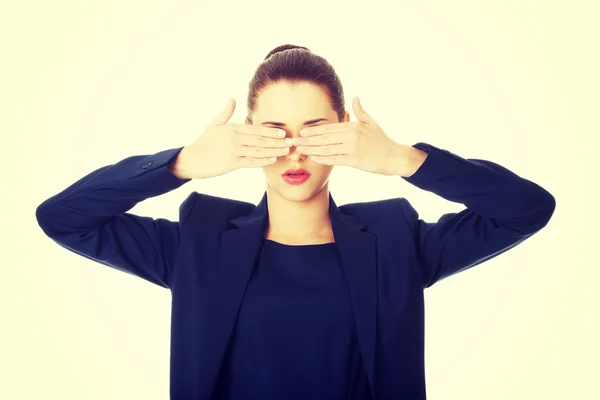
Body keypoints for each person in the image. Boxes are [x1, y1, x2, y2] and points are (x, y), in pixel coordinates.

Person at [35, 44, 556, 400]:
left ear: (346, 134)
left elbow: (527, 209)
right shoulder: (199, 240)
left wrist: (404, 159)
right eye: (274, 131)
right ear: (245, 137)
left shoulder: (395, 240)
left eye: (315, 129)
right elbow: (64, 219)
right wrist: (181, 164)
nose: (293, 151)